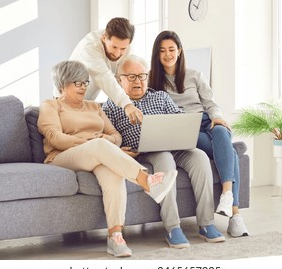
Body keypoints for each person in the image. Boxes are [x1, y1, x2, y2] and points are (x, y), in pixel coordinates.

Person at [38, 60, 178, 257]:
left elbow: (115, 136)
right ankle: (148, 181)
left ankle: (115, 237)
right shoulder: (50, 105)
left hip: (96, 154)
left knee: (114, 175)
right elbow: (55, 138)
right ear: (63, 84)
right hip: (63, 157)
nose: (83, 87)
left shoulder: (94, 107)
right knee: (100, 145)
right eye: (77, 83)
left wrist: (105, 141)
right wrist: (93, 141)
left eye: (85, 82)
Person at [103, 55, 226, 249]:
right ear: (120, 80)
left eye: (142, 76)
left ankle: (206, 223)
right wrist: (118, 150)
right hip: (144, 153)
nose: (138, 81)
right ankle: (173, 227)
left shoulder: (160, 97)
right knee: (165, 159)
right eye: (132, 77)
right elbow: (106, 136)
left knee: (201, 157)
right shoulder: (111, 105)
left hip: (176, 146)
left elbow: (180, 119)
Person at [148, 30, 249, 238]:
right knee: (230, 153)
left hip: (205, 120)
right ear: (157, 54)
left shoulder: (195, 75)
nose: (168, 54)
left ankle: (228, 195)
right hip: (185, 128)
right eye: (162, 51)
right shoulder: (152, 80)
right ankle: (235, 215)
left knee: (222, 130)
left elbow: (210, 102)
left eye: (172, 49)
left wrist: (217, 116)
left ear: (179, 51)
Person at [65, 17, 143, 125]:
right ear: (104, 38)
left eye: (123, 49)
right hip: (66, 101)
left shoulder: (125, 47)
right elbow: (104, 77)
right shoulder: (90, 47)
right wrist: (126, 104)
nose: (117, 53)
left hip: (87, 103)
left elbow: (120, 77)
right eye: (114, 47)